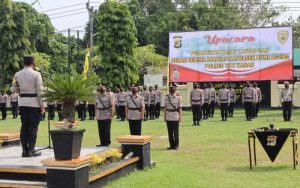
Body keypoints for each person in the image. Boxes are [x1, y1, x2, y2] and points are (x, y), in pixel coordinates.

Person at [11, 55, 45, 157]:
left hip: (23, 103)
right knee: (33, 127)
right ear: (33, 63)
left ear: (23, 62)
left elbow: (13, 90)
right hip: (34, 103)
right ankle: (31, 150)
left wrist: (21, 90)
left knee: (24, 126)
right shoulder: (36, 74)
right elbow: (40, 91)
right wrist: (42, 106)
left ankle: (24, 150)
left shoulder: (17, 74)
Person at [164, 83, 182, 150]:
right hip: (168, 115)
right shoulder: (166, 97)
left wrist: (180, 116)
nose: (172, 90)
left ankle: (176, 145)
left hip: (175, 116)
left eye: (173, 89)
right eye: (171, 89)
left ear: (175, 90)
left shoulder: (178, 98)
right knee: (170, 132)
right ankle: (171, 145)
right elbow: (165, 107)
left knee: (176, 132)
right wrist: (165, 117)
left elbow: (180, 108)